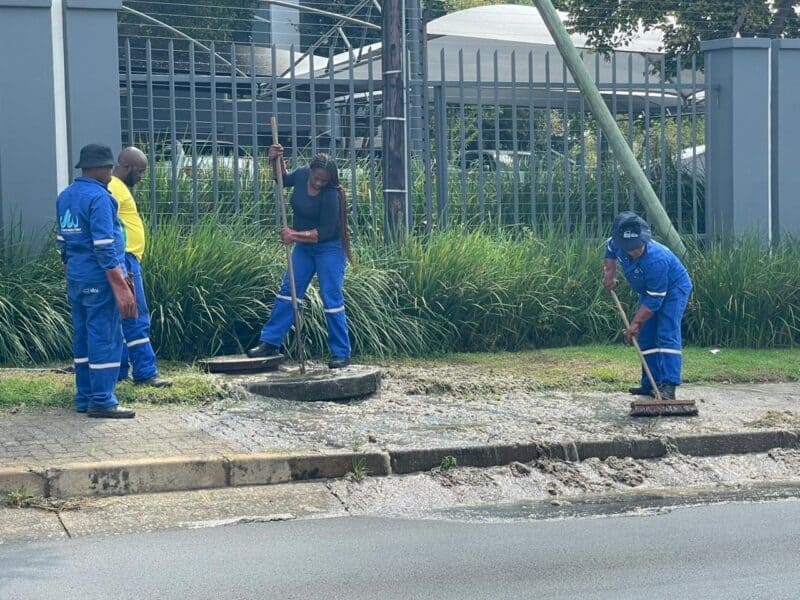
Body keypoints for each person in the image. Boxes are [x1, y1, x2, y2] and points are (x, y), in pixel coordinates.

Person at [247, 145, 353, 369]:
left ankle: (340, 352)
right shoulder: (303, 173)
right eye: (316, 178)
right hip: (304, 249)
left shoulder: (332, 195)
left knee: (331, 298)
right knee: (289, 293)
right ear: (311, 171)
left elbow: (322, 234)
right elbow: (282, 179)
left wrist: (292, 235)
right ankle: (270, 342)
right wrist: (275, 160)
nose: (318, 183)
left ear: (330, 180)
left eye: (323, 181)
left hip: (328, 249)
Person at [56, 144, 137, 418]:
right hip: (100, 278)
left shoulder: (66, 196)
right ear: (102, 168)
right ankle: (103, 399)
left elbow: (62, 243)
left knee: (82, 335)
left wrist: (73, 272)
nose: (112, 172)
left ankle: (85, 396)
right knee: (105, 336)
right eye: (110, 167)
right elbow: (104, 246)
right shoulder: (100, 198)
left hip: (77, 277)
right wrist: (121, 286)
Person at [602, 211, 693, 401]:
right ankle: (651, 384)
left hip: (673, 290)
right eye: (630, 247)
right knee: (647, 334)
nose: (634, 250)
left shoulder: (656, 259)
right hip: (648, 291)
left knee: (666, 332)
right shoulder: (616, 243)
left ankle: (669, 385)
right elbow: (609, 251)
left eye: (637, 246)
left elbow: (654, 301)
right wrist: (610, 274)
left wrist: (634, 324)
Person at [109, 147, 172, 388]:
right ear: (126, 167)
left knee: (123, 316)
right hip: (124, 259)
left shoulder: (118, 186)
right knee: (136, 315)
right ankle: (146, 372)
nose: (142, 177)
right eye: (140, 171)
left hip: (126, 258)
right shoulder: (114, 187)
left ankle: (120, 370)